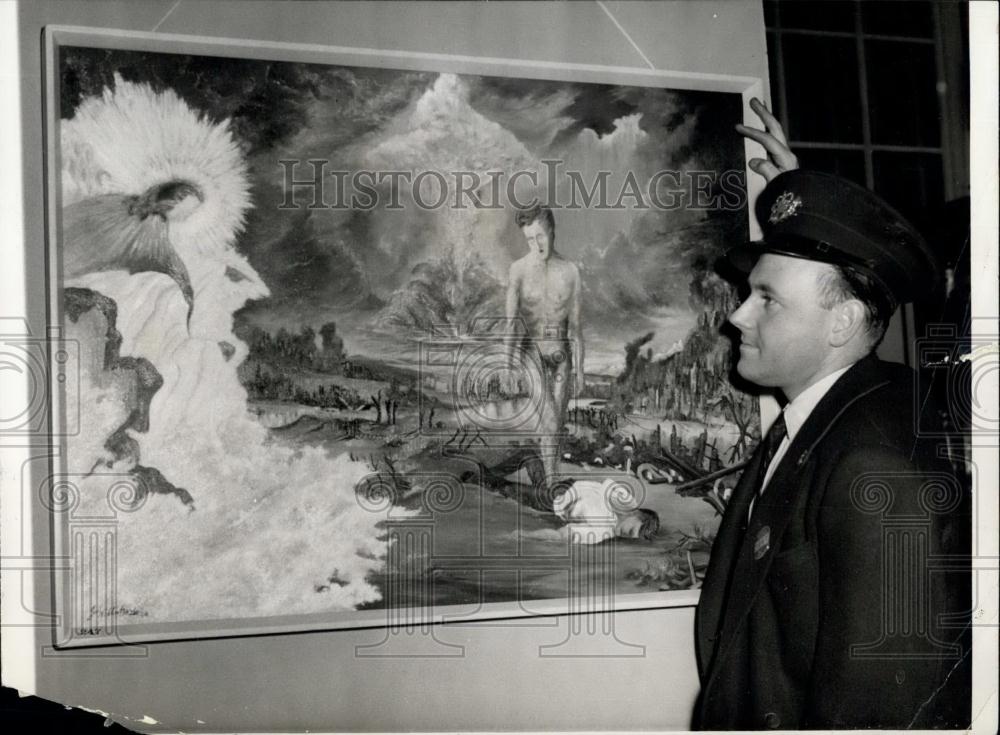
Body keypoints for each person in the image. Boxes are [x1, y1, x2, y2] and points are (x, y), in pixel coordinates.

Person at [693, 99, 970, 729]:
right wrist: (798, 201)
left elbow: (882, 708)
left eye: (767, 299)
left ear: (843, 322)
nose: (735, 317)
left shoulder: (876, 462)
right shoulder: (824, 420)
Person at [505, 204, 585, 491]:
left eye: (541, 236)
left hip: (562, 357)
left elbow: (575, 327)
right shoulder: (518, 270)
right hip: (531, 355)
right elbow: (511, 323)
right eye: (529, 239)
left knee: (555, 425)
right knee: (550, 421)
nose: (536, 244)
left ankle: (545, 476)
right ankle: (552, 486)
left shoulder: (571, 271)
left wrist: (582, 369)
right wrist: (507, 364)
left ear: (552, 231)